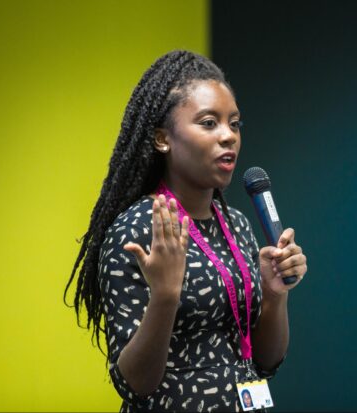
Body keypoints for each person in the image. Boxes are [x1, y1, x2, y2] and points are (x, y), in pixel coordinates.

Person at [65, 50, 307, 412]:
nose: (228, 136)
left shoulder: (237, 225)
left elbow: (265, 363)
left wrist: (275, 295)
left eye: (234, 124)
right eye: (209, 123)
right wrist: (165, 295)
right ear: (163, 139)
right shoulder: (135, 230)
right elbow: (134, 384)